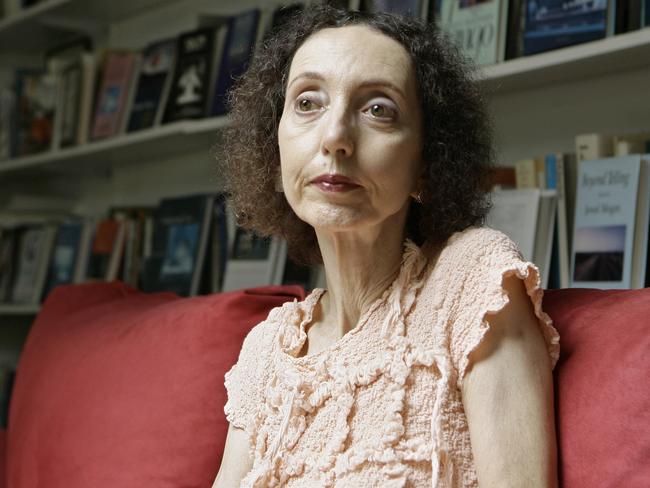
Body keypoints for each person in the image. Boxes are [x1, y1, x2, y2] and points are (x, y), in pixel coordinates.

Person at [213, 5, 560, 487]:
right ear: (274, 153)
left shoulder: (474, 281)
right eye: (308, 102)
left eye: (378, 109)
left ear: (425, 161)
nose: (335, 137)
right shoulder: (266, 350)